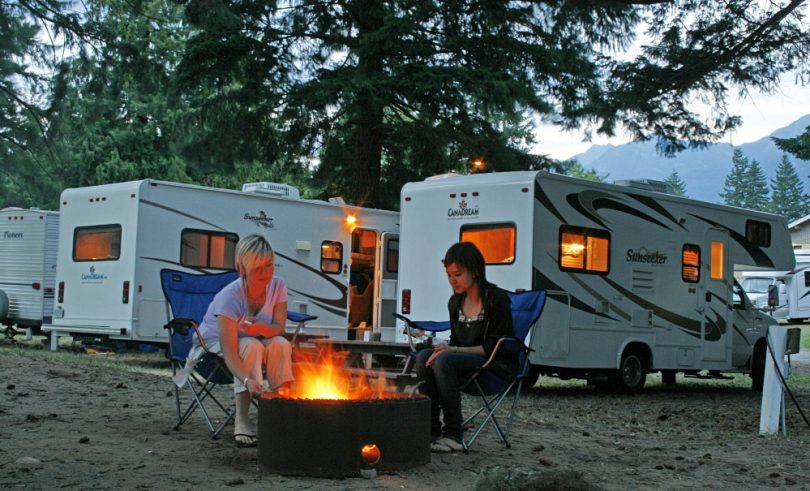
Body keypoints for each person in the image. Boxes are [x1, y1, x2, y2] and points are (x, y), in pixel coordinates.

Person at [414, 242, 517, 453]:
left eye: (458, 274)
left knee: (444, 360)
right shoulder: (455, 302)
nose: (453, 281)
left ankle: (453, 434)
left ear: (476, 270)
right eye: (449, 275)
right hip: (464, 364)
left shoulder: (497, 300)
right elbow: (456, 341)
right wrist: (443, 347)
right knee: (424, 356)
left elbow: (493, 347)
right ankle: (430, 431)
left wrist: (453, 351)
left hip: (494, 366)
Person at [193, 234, 293, 447]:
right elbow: (229, 352)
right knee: (251, 344)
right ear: (242, 268)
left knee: (281, 343)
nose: (266, 273)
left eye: (269, 265)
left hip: (251, 339)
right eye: (258, 268)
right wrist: (249, 381)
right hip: (209, 352)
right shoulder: (230, 297)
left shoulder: (278, 286)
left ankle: (282, 409)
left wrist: (258, 328)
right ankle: (242, 420)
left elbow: (278, 328)